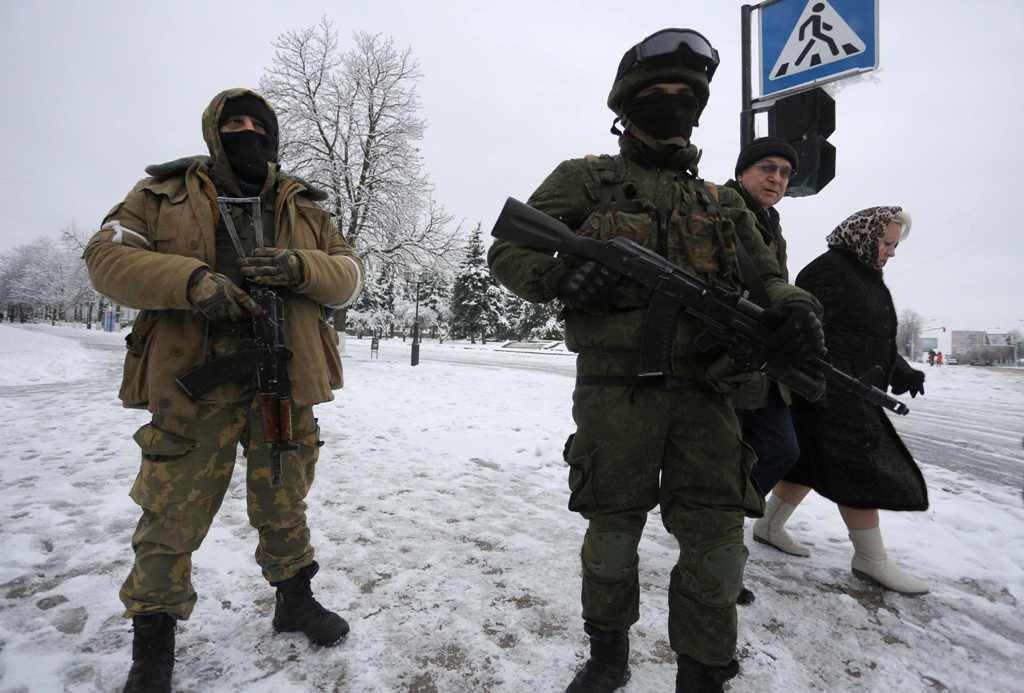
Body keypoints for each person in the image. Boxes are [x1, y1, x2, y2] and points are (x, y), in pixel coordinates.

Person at [488, 29, 825, 693]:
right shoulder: (585, 179)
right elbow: (508, 253)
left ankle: (703, 672)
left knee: (721, 549)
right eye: (655, 94)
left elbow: (768, 278)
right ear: (626, 106)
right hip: (617, 397)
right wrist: (563, 278)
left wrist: (794, 307)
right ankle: (608, 656)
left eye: (682, 96)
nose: (669, 105)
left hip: (708, 396)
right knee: (611, 540)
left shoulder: (722, 201)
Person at [84, 88, 364, 693]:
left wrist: (301, 268)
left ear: (271, 135)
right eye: (233, 123)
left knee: (285, 502)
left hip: (284, 379)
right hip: (194, 385)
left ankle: (294, 601)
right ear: (214, 132)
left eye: (256, 124)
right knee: (170, 516)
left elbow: (348, 274)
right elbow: (105, 259)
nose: (245, 131)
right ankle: (152, 647)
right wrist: (191, 281)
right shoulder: (159, 194)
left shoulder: (305, 205)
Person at [753, 206, 930, 595]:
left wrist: (900, 371)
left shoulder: (863, 275)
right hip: (830, 391)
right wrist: (829, 380)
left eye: (894, 244)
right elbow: (811, 334)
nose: (892, 252)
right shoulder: (828, 272)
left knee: (806, 464)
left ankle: (768, 526)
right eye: (887, 242)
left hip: (849, 391)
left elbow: (865, 338)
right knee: (859, 469)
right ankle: (870, 558)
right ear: (864, 236)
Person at [724, 137, 802, 606]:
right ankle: (719, 556)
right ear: (743, 172)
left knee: (779, 449)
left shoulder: (774, 226)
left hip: (762, 365)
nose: (776, 179)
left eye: (785, 173)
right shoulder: (716, 209)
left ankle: (716, 521)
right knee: (727, 463)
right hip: (723, 363)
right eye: (767, 168)